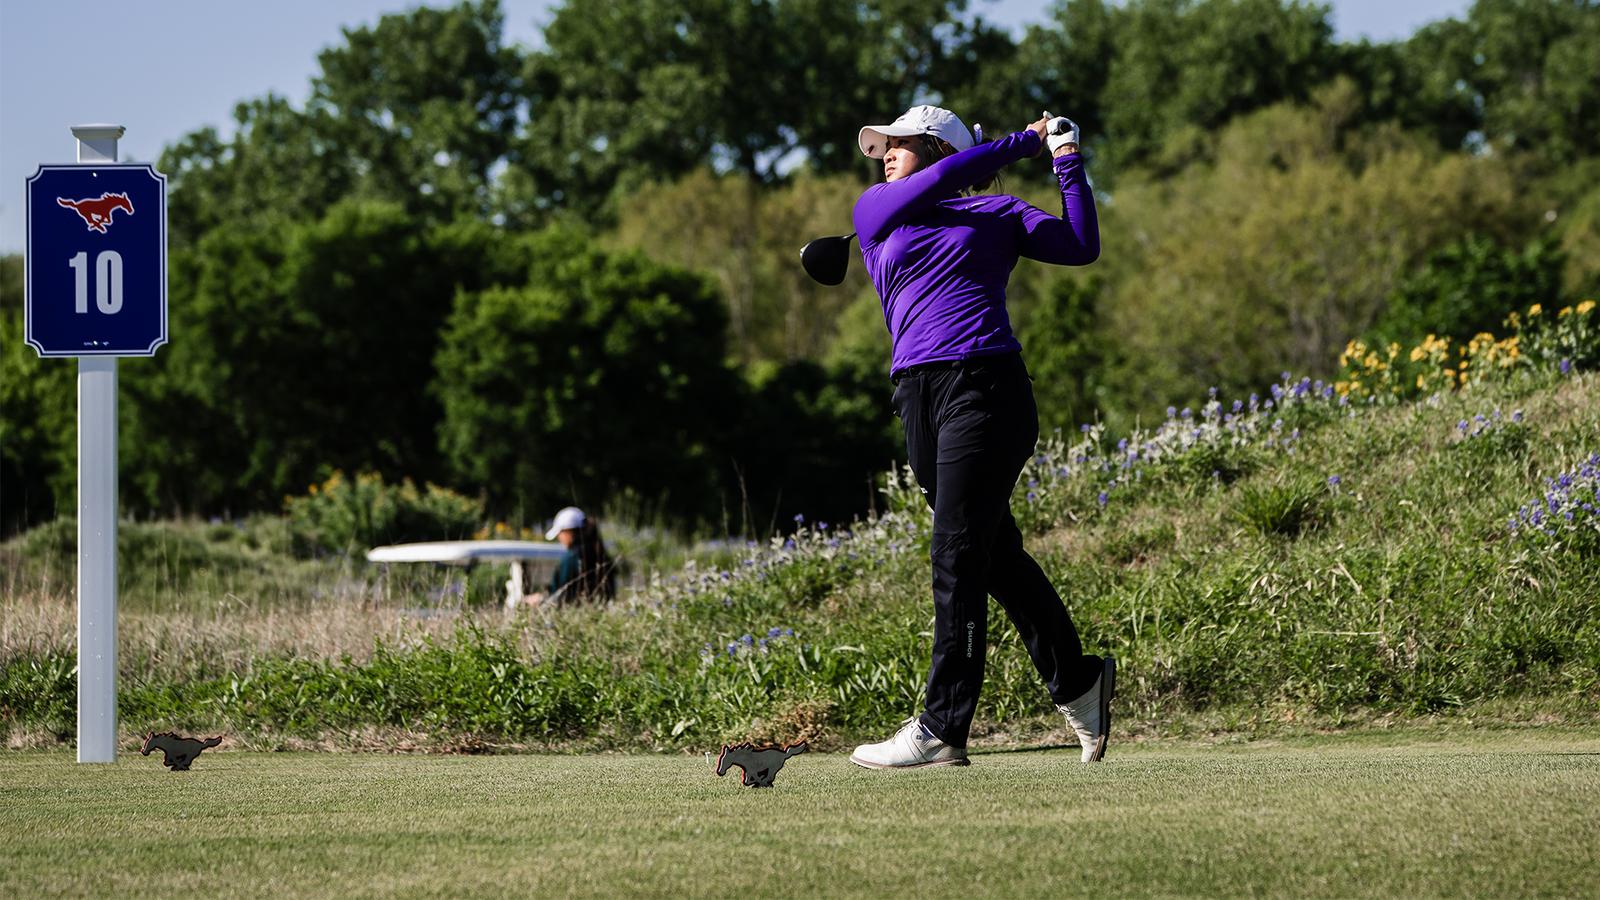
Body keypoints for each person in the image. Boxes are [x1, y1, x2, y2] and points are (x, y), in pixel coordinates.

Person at [846, 105, 1114, 769]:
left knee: (957, 552)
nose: (887, 153)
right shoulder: (877, 210)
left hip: (986, 387)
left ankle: (943, 725)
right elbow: (947, 177)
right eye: (885, 145)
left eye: (901, 143)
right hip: (916, 395)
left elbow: (1080, 245)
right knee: (992, 557)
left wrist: (1065, 160)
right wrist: (1019, 142)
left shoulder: (997, 213)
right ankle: (1078, 681)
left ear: (938, 147)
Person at [526, 506, 616, 607]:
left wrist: (541, 599)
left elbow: (560, 595)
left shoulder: (571, 558)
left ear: (568, 532)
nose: (559, 538)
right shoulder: (599, 553)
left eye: (560, 533)